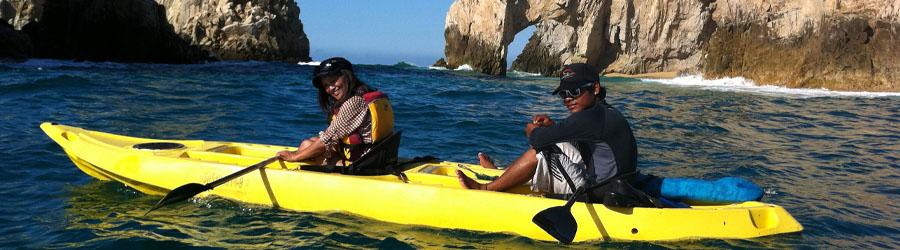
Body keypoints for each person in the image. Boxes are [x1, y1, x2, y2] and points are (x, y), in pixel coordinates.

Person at [457, 63, 639, 201]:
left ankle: (486, 189)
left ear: (596, 89)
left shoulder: (590, 117)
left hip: (599, 191)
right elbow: (579, 139)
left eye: (575, 91)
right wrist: (552, 126)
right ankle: (500, 175)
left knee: (540, 151)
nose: (568, 99)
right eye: (563, 94)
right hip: (613, 183)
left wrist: (533, 131)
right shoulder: (605, 112)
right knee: (553, 143)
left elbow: (538, 140)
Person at [276, 57, 394, 166]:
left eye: (333, 81)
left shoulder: (354, 102)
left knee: (307, 146)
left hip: (361, 165)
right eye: (326, 85)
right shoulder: (368, 95)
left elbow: (327, 139)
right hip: (377, 157)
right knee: (310, 142)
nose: (331, 88)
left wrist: (294, 156)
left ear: (347, 76)